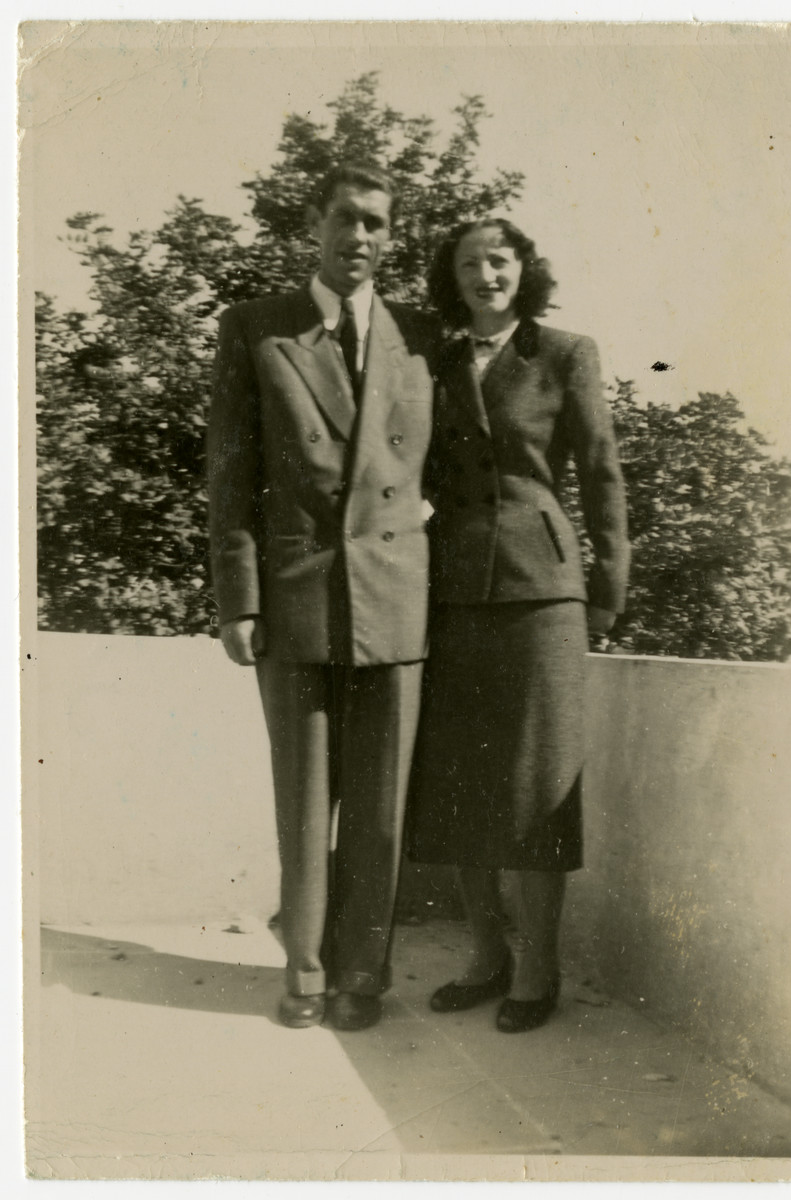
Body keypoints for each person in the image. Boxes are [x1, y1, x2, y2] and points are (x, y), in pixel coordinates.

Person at [207, 163, 438, 1031]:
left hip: (394, 595)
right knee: (304, 802)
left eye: (378, 223)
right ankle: (304, 976)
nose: (361, 238)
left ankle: (361, 978)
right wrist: (238, 597)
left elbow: (447, 455)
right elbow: (230, 471)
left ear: (392, 235)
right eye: (346, 219)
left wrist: (423, 511)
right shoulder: (257, 327)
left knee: (379, 809)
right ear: (315, 221)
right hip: (298, 592)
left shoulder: (419, 335)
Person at [407, 217, 630, 1033]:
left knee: (535, 783)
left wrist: (609, 586)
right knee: (461, 782)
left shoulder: (566, 353)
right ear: (453, 277)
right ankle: (485, 957)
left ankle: (540, 965)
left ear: (522, 270)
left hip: (543, 590)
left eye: (498, 261)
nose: (485, 275)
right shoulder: (429, 359)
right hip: (451, 588)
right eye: (468, 263)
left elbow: (601, 469)